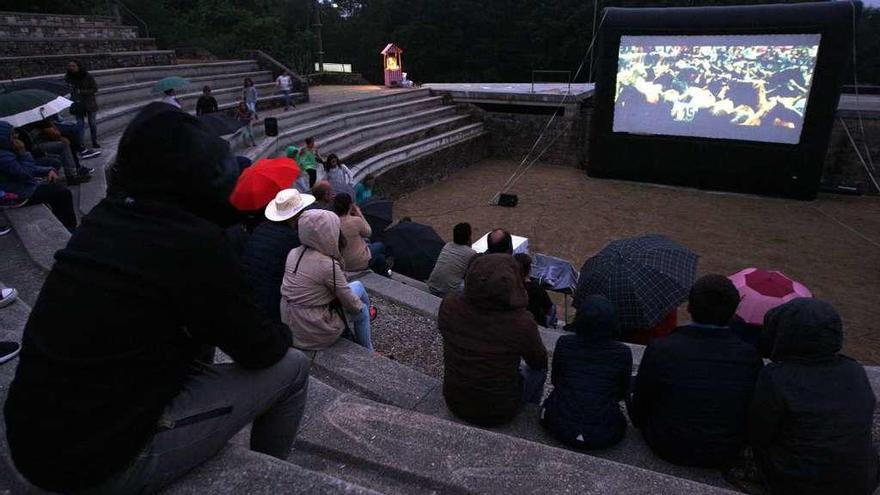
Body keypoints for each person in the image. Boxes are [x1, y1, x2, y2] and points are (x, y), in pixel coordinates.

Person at [4, 103, 309, 494]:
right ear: (199, 178)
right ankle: (270, 480)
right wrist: (279, 330)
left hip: (30, 438)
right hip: (91, 466)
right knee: (293, 368)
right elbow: (260, 350)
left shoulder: (103, 217)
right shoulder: (194, 244)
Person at [629, 274, 763, 468]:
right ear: (734, 313)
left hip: (667, 444)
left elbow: (641, 404)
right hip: (726, 450)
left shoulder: (662, 349)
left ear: (690, 308)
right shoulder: (749, 357)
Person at [750, 298, 879, 495]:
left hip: (797, 483)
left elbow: (760, 433)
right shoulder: (854, 370)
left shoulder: (777, 377)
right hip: (860, 481)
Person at [439, 253, 548, 427]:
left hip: (455, 400)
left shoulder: (449, 305)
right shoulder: (521, 322)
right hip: (499, 411)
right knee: (539, 371)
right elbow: (539, 362)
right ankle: (530, 415)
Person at [540, 295, 632, 450]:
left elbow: (556, 380)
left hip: (558, 423)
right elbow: (622, 392)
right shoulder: (622, 353)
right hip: (603, 432)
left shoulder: (564, 343)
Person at [280, 209, 375, 351]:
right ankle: (368, 351)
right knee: (362, 311)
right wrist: (360, 308)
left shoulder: (294, 253)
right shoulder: (326, 264)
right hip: (312, 330)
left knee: (358, 286)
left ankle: (369, 311)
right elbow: (350, 301)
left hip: (290, 322)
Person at [240, 189, 315, 323]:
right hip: (272, 302)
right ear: (297, 214)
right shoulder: (292, 239)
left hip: (249, 294)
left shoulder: (261, 228)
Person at [0, 122, 77, 231]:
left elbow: (25, 169)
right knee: (62, 193)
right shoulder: (3, 156)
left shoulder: (6, 151)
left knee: (55, 187)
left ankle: (65, 225)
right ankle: (69, 229)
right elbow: (25, 173)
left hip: (19, 187)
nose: (16, 136)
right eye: (12, 135)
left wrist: (48, 170)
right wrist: (23, 153)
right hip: (15, 195)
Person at [334, 193, 386, 274]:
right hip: (358, 262)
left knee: (380, 258)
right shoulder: (355, 221)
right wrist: (359, 213)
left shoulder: (332, 222)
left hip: (341, 263)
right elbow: (368, 232)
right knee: (380, 245)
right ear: (350, 205)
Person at [30, 118, 93, 185]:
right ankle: (72, 175)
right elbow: (55, 133)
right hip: (36, 146)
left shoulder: (42, 118)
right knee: (64, 144)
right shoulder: (38, 119)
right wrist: (53, 127)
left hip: (40, 143)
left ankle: (77, 164)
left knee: (69, 134)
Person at [427, 222, 476, 297]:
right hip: (449, 292)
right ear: (469, 237)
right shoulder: (471, 253)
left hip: (432, 286)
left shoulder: (447, 245)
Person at [65, 60, 100, 149]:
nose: (71, 68)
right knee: (80, 124)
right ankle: (81, 143)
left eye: (73, 66)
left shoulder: (87, 75)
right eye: (70, 66)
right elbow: (67, 89)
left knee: (92, 123)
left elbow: (95, 88)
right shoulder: (68, 77)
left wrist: (82, 92)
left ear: (78, 66)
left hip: (89, 103)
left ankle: (94, 141)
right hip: (77, 103)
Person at [514, 253, 556, 327]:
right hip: (534, 323)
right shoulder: (537, 288)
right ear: (529, 269)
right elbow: (549, 309)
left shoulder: (507, 286)